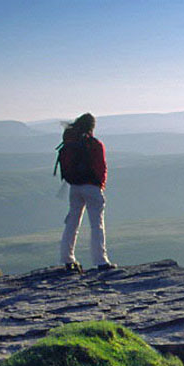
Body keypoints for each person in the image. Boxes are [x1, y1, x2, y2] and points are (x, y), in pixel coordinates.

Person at [58, 112, 116, 271]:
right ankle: (101, 261)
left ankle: (67, 258)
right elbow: (101, 167)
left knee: (72, 222)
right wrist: (100, 185)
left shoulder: (71, 142)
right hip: (92, 187)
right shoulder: (95, 145)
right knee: (96, 224)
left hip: (74, 186)